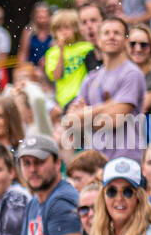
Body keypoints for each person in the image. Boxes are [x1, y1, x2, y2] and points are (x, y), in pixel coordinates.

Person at [62, 16, 146, 161]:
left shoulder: (132, 74)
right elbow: (70, 122)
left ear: (126, 40)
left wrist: (85, 116)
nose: (111, 36)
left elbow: (114, 121)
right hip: (95, 161)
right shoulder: (91, 78)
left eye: (117, 33)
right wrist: (106, 106)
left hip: (125, 159)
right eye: (106, 33)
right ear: (99, 40)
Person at [44, 9, 95, 109]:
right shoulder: (52, 53)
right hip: (65, 99)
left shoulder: (86, 47)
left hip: (84, 96)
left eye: (66, 27)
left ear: (75, 29)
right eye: (59, 29)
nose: (63, 32)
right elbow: (56, 76)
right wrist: (61, 50)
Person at [17, 2, 54, 70]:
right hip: (31, 68)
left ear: (49, 17)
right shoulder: (28, 31)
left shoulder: (54, 32)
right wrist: (21, 67)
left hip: (50, 68)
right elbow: (23, 53)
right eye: (39, 17)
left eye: (44, 17)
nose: (42, 20)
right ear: (34, 17)